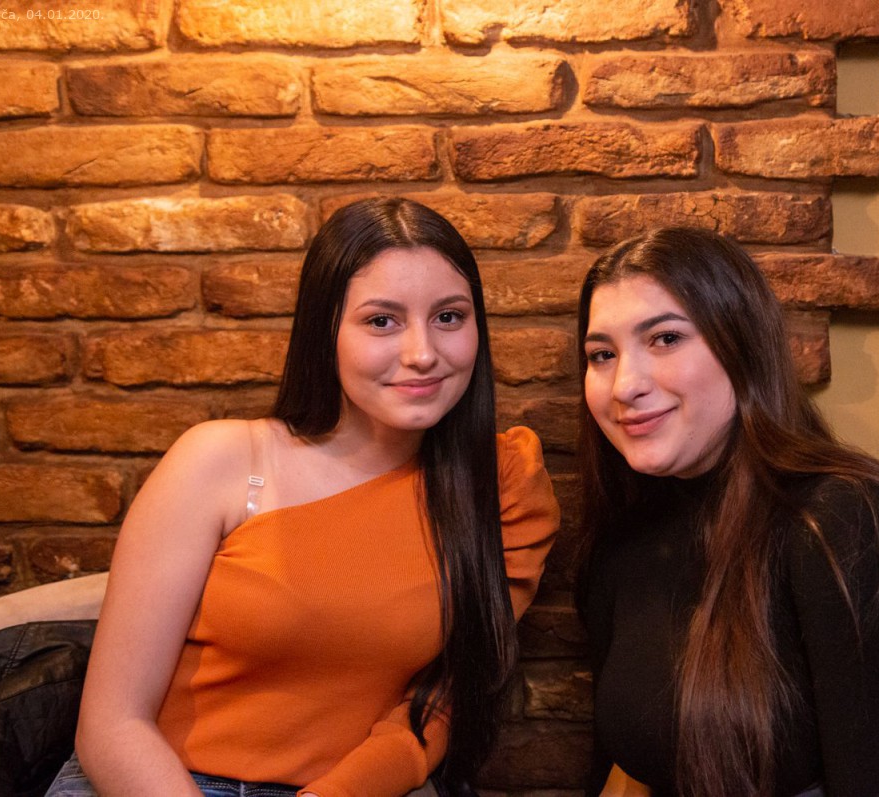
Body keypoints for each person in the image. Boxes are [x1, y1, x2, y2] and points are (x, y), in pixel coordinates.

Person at [47, 198, 560, 797]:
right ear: (325, 331)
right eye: (382, 321)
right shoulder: (220, 460)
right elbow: (114, 723)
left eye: (449, 317)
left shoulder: (502, 483)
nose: (422, 353)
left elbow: (448, 698)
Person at [576, 228, 879, 797]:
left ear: (742, 346)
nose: (625, 385)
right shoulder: (622, 541)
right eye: (602, 355)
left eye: (666, 339)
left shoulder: (849, 525)